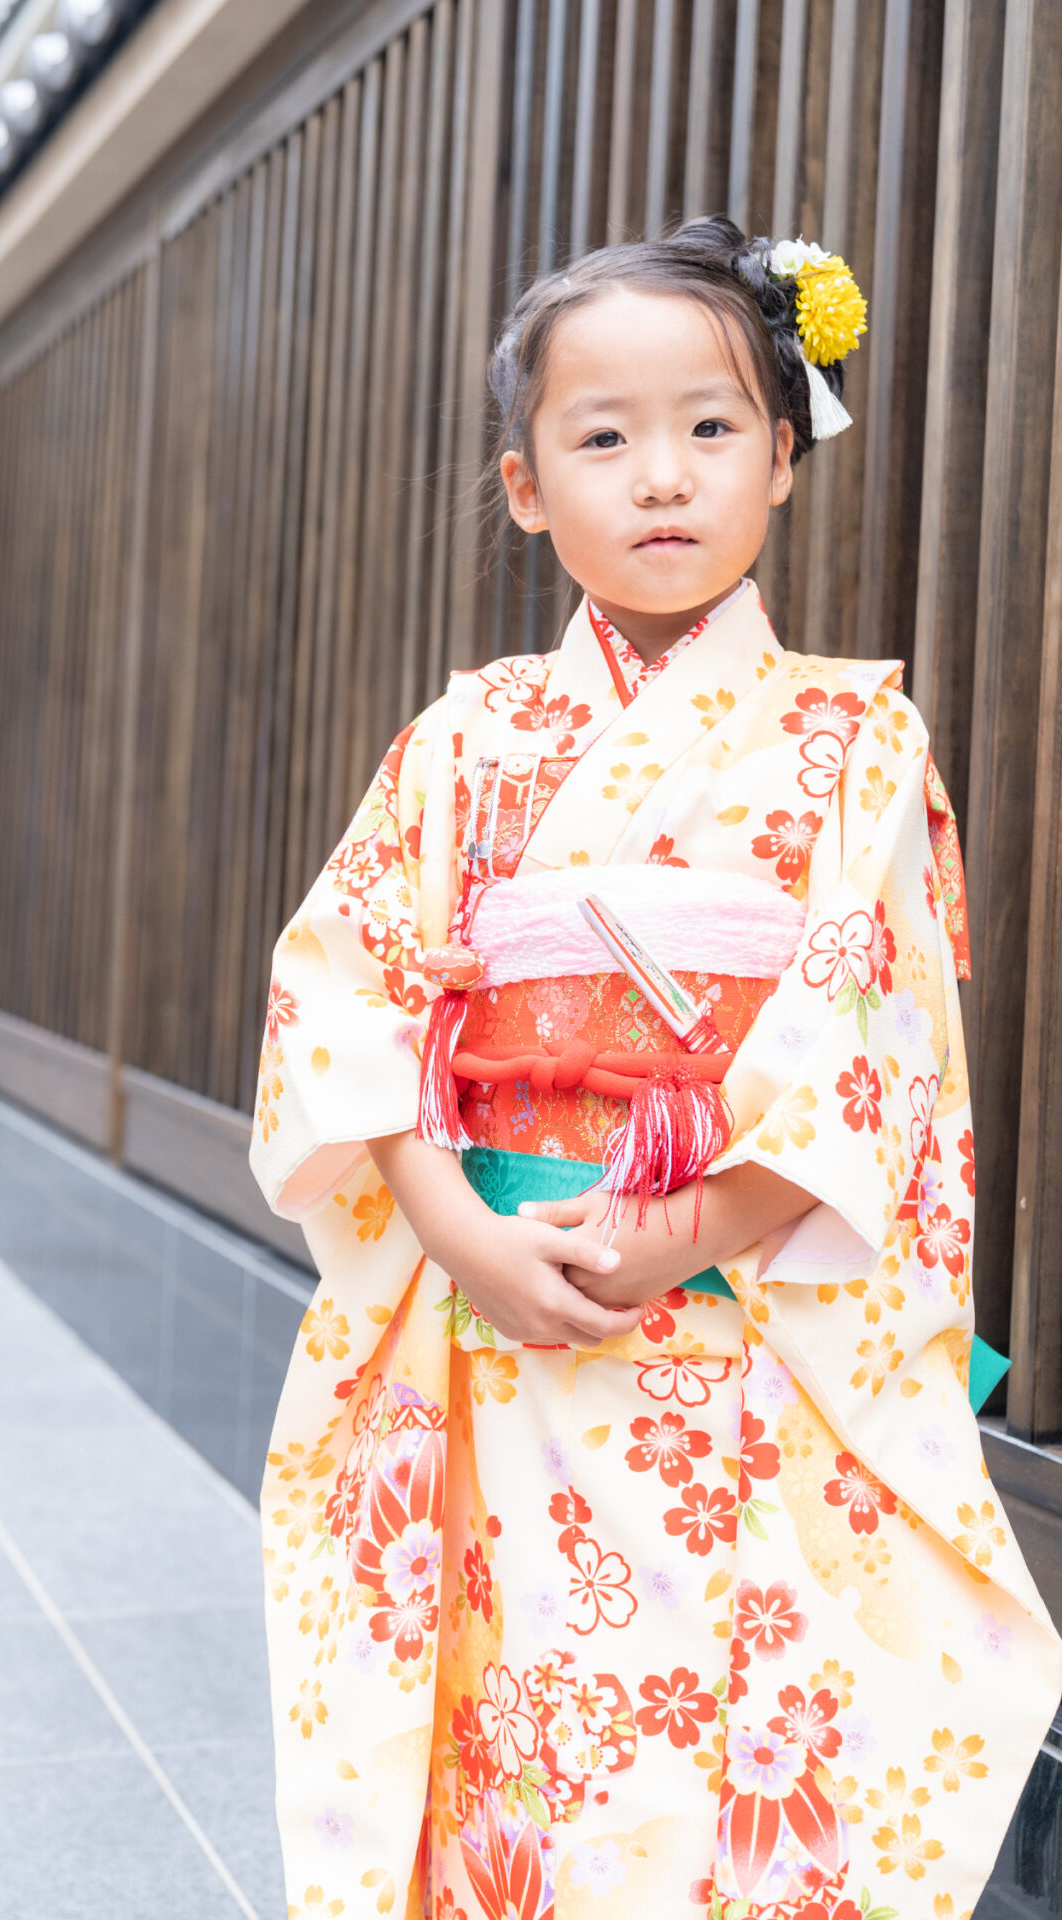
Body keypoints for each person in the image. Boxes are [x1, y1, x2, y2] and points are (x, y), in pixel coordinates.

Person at [250, 215, 1061, 1920]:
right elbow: (349, 1001)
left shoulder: (855, 740)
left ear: (785, 451)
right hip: (495, 1306)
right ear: (528, 486)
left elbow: (876, 1038)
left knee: (734, 1728)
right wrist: (459, 1228)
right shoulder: (462, 741)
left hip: (739, 1314)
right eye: (601, 436)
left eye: (710, 425)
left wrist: (699, 1226)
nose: (662, 474)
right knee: (516, 1727)